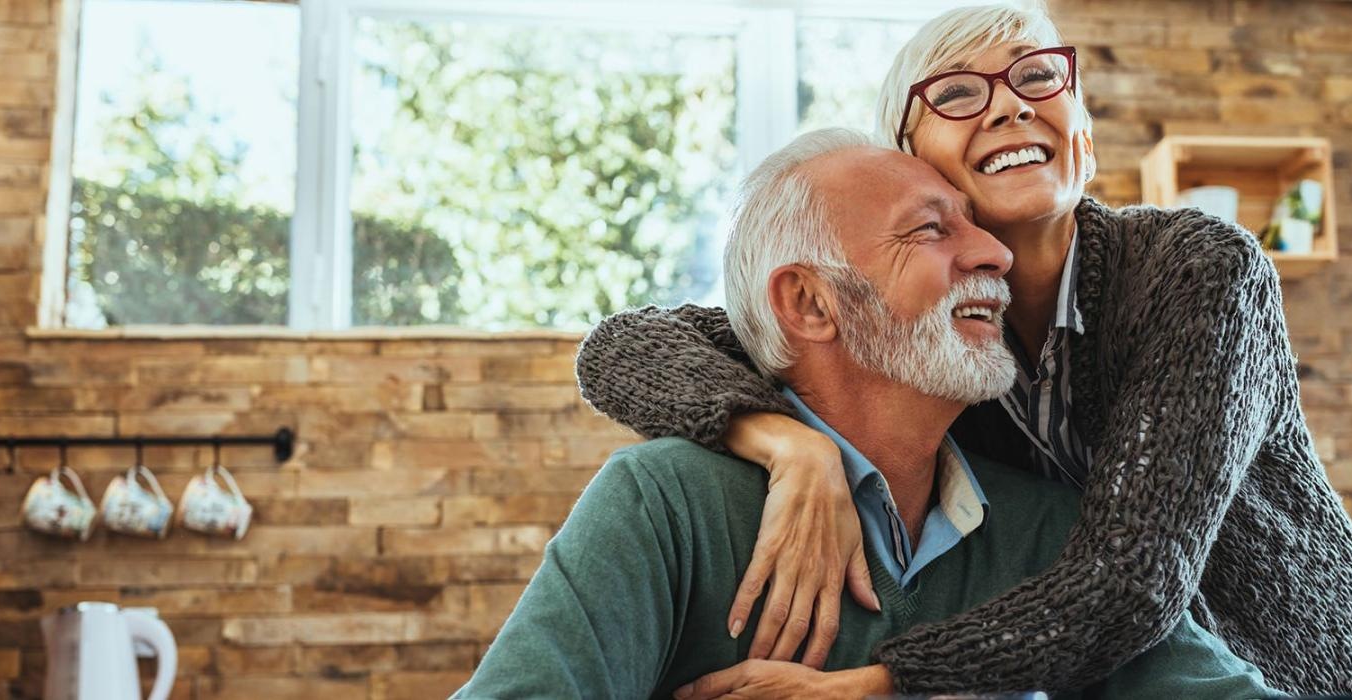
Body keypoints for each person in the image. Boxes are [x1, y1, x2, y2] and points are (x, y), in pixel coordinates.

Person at [574, 4, 1352, 697]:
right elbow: (624, 346)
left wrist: (876, 685)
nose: (1012, 104)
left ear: (1082, 133)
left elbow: (1133, 581)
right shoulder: (920, 336)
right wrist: (784, 441)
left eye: (1035, 75)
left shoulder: (1198, 270)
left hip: (1310, 673)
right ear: (912, 165)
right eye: (956, 94)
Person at [452, 129, 1275, 699]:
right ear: (810, 302)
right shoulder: (665, 504)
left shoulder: (1053, 532)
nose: (992, 252)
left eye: (976, 226)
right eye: (929, 230)